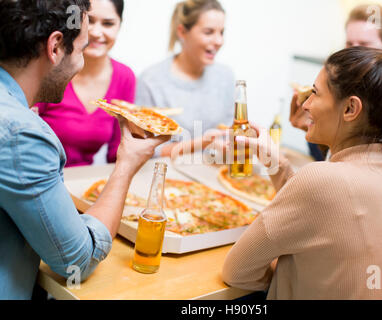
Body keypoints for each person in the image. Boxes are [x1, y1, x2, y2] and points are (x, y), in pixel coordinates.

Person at [221, 46, 382, 299]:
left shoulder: (321, 179)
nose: (305, 104)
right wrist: (275, 162)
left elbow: (237, 271)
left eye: (314, 93)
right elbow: (329, 212)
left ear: (350, 109)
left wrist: (285, 272)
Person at [0, 0, 169, 299]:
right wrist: (127, 164)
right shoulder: (21, 134)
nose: (80, 63)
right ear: (55, 47)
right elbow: (77, 259)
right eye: (80, 50)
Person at [37, 0, 135, 167]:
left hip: (83, 182)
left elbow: (116, 154)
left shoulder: (125, 77)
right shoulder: (50, 68)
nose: (97, 32)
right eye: (89, 21)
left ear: (120, 25)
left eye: (108, 24)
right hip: (38, 178)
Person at [136, 0, 235, 158]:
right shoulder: (151, 80)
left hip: (213, 173)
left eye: (221, 32)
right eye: (209, 32)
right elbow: (147, 150)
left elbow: (229, 133)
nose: (219, 41)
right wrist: (201, 143)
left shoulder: (225, 77)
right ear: (182, 32)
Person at [307, 4, 382, 161]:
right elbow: (328, 163)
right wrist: (316, 127)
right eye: (349, 44)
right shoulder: (336, 88)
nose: (353, 52)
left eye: (364, 44)